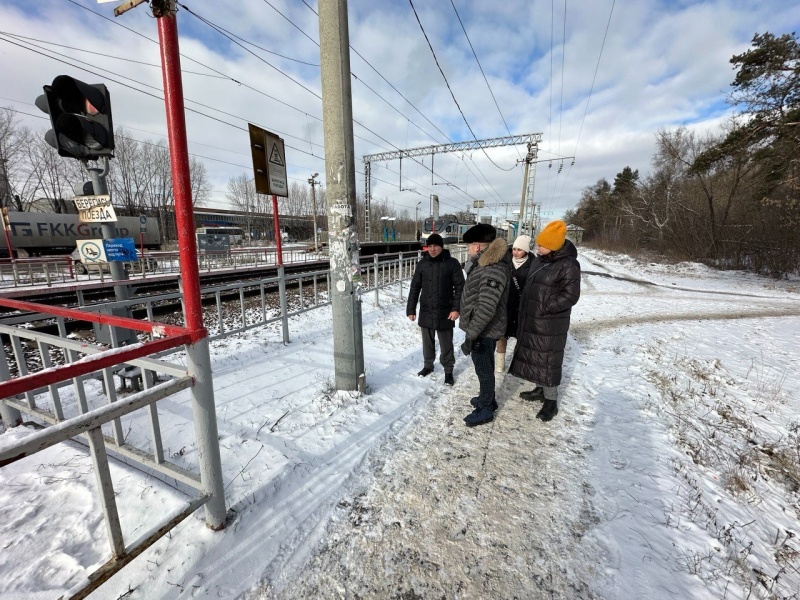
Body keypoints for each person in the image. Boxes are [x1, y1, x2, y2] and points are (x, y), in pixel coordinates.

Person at [508, 220, 581, 422]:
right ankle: (539, 389)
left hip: (550, 322)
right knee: (536, 357)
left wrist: (546, 307)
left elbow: (570, 296)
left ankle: (551, 402)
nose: (536, 248)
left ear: (554, 245)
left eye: (540, 245)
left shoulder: (568, 264)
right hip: (533, 318)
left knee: (548, 360)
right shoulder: (541, 260)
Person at [458, 223, 510, 427]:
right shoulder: (487, 264)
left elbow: (487, 308)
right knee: (484, 367)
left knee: (484, 370)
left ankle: (486, 408)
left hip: (484, 330)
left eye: (470, 245)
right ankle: (486, 398)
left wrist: (471, 335)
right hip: (482, 328)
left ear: (479, 247)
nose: (469, 249)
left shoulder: (493, 269)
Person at [407, 233, 465, 386]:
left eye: (435, 246)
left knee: (446, 343)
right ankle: (428, 366)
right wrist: (411, 309)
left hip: (445, 310)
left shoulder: (452, 263)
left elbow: (460, 288)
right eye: (429, 246)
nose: (432, 249)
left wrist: (456, 308)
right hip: (426, 309)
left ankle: (448, 371)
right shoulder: (422, 264)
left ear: (441, 246)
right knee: (427, 341)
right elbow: (415, 287)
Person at [495, 235, 533, 373]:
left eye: (520, 250)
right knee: (502, 336)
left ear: (527, 251)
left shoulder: (533, 264)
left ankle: (520, 366)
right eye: (514, 249)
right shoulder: (505, 262)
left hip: (523, 307)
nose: (515, 252)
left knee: (522, 337)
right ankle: (500, 363)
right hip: (505, 305)